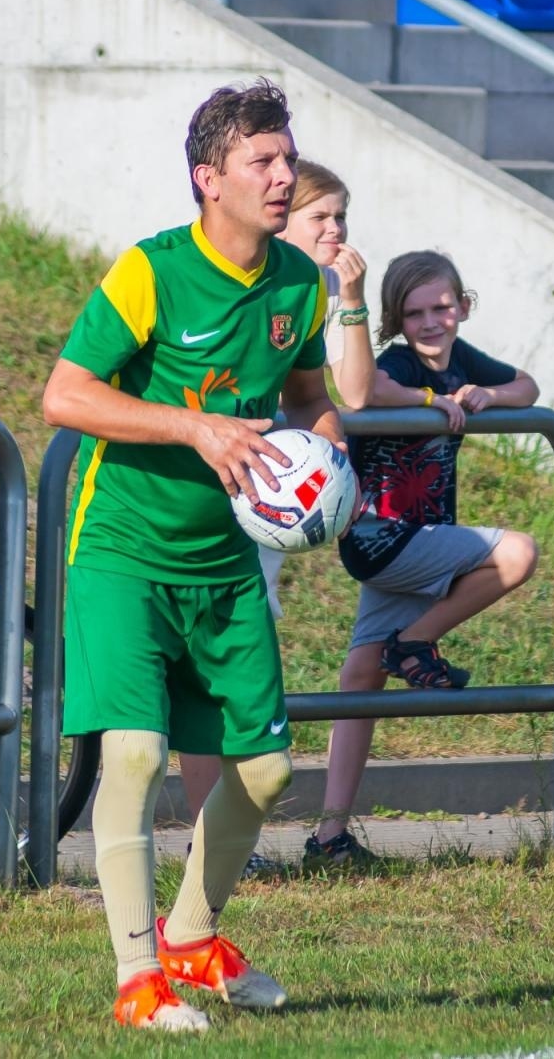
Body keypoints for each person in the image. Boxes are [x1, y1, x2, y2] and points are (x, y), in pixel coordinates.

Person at [42, 79, 345, 1032]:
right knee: (134, 753)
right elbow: (64, 395)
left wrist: (328, 463)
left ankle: (191, 937)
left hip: (225, 563)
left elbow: (309, 398)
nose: (284, 175)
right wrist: (194, 427)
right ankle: (139, 980)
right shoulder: (152, 271)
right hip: (122, 550)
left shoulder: (299, 284)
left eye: (288, 158)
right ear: (210, 179)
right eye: (263, 161)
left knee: (267, 771)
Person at [306, 249, 540, 864]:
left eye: (442, 307)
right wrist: (431, 397)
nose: (432, 322)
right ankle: (413, 643)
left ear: (463, 305)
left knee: (361, 678)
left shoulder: (463, 360)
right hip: (383, 538)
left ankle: (329, 836)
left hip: (413, 542)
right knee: (517, 553)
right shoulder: (399, 363)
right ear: (396, 321)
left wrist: (487, 393)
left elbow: (528, 387)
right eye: (415, 314)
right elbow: (368, 389)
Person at [178, 159, 374, 847]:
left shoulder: (311, 292)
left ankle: (230, 843)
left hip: (272, 505)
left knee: (240, 672)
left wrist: (354, 298)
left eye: (341, 217)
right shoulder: (244, 285)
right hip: (212, 498)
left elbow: (346, 395)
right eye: (321, 216)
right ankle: (210, 837)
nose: (336, 229)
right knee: (207, 677)